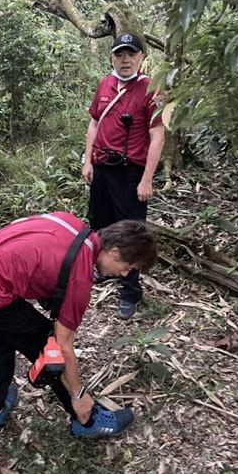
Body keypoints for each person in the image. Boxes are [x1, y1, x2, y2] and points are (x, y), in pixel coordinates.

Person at [0, 211, 157, 438]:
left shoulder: (67, 221)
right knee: (49, 350)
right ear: (114, 252)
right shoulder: (79, 276)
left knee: (2, 334)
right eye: (128, 267)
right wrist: (78, 393)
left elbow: (19, 228)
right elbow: (62, 345)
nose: (124, 274)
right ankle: (86, 419)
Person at [82, 33, 165, 320]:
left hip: (131, 174)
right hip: (102, 168)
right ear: (112, 57)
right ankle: (105, 270)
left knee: (132, 233)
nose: (125, 59)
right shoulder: (105, 83)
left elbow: (157, 135)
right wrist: (87, 160)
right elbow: (94, 123)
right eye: (119, 54)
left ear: (142, 57)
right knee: (100, 224)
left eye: (131, 54)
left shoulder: (150, 88)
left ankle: (130, 291)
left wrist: (147, 179)